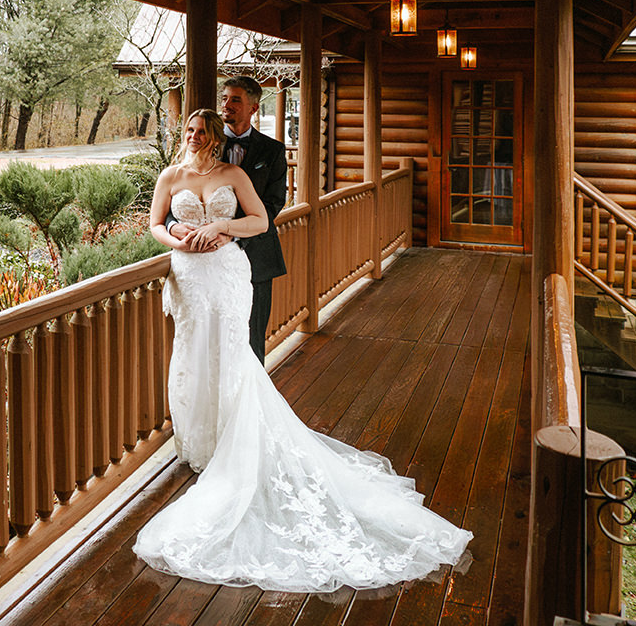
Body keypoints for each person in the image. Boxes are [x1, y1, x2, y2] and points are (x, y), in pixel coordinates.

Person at [136, 109, 472, 593]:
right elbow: (154, 226)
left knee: (231, 355)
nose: (193, 138)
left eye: (201, 132)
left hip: (228, 274)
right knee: (192, 354)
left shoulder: (233, 174)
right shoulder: (171, 175)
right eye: (188, 131)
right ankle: (199, 442)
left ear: (214, 139)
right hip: (189, 274)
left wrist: (223, 230)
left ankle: (236, 438)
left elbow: (260, 219)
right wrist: (180, 240)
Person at [169, 76, 287, 361]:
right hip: (203, 262)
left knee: (251, 340)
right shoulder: (203, 142)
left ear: (253, 108)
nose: (226, 105)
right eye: (224, 98)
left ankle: (249, 403)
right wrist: (174, 227)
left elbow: (272, 205)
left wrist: (230, 233)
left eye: (235, 100)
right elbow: (178, 196)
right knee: (204, 344)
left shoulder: (272, 151)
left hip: (255, 255)